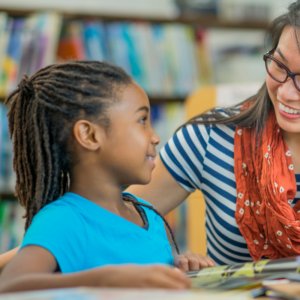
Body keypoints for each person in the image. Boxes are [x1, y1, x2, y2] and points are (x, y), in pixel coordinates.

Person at [0, 61, 214, 293]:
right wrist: (105, 280)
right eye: (142, 120)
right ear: (89, 135)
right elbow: (9, 285)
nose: (155, 137)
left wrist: (182, 269)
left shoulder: (147, 213)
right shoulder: (64, 219)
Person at [126, 0, 300, 266]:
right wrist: (166, 261)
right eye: (279, 65)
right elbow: (112, 226)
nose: (286, 92)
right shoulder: (210, 138)